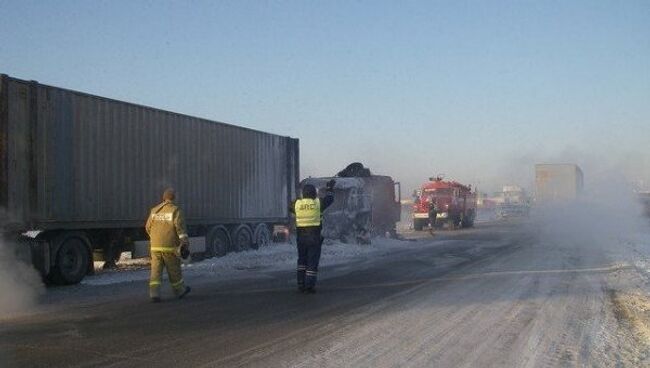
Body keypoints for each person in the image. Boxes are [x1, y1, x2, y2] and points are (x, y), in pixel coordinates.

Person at [145, 188, 191, 302]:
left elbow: (147, 227)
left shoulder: (154, 210)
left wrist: (155, 238)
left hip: (155, 247)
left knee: (155, 271)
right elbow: (180, 229)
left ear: (163, 198)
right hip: (170, 247)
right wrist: (184, 243)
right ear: (174, 198)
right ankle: (180, 291)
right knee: (174, 270)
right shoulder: (175, 210)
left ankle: (154, 293)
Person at [290, 180, 335, 293]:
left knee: (302, 261)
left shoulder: (297, 204)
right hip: (314, 237)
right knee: (312, 261)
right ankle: (309, 286)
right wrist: (329, 188)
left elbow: (290, 206)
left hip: (301, 237)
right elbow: (330, 199)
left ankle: (301, 284)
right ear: (314, 193)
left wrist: (300, 201)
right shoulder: (318, 204)